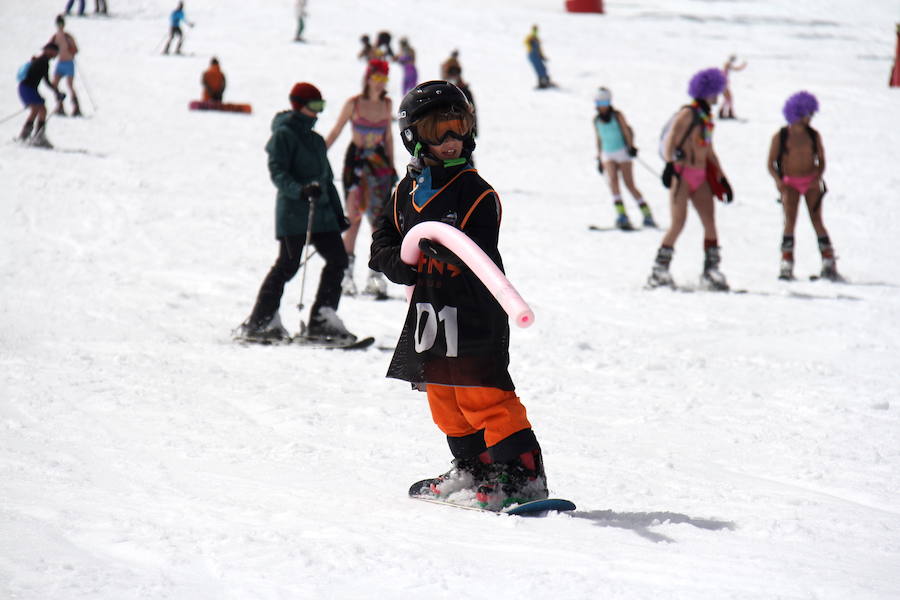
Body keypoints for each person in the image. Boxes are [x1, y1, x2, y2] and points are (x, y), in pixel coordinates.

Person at [369, 80, 549, 510]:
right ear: (414, 137)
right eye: (438, 130)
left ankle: (522, 472)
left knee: (480, 393)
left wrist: (448, 254)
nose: (452, 140)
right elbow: (382, 244)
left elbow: (479, 253)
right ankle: (475, 466)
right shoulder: (404, 192)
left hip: (472, 309)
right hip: (429, 312)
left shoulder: (476, 192)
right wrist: (400, 262)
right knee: (442, 395)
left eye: (459, 127)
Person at [235, 83, 356, 344]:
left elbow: (327, 179)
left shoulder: (315, 140)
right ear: (298, 104)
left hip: (322, 216)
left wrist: (337, 213)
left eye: (321, 106)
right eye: (314, 106)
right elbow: (278, 173)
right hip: (293, 215)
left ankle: (322, 318)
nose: (318, 113)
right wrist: (300, 190)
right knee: (287, 266)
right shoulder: (283, 135)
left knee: (338, 261)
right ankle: (261, 320)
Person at [648, 68, 733, 291]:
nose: (718, 96)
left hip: (701, 175)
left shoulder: (706, 118)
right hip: (683, 174)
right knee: (678, 222)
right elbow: (673, 139)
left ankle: (711, 270)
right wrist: (669, 163)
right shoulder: (688, 113)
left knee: (710, 223)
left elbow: (709, 150)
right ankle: (659, 270)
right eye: (716, 91)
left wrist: (722, 177)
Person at [325, 59, 397, 299]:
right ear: (368, 78)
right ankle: (345, 275)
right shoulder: (353, 104)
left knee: (378, 222)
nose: (380, 84)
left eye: (383, 79)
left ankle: (375, 275)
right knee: (353, 218)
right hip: (356, 165)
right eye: (377, 78)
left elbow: (388, 138)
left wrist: (392, 165)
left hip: (378, 166)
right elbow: (336, 131)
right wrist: (318, 153)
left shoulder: (387, 105)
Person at [767, 91, 841, 282]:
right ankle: (786, 262)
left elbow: (821, 160)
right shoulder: (781, 136)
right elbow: (771, 163)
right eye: (808, 114)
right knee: (789, 221)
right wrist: (779, 182)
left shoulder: (813, 135)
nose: (811, 118)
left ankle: (828, 260)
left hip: (811, 182)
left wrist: (817, 175)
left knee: (817, 220)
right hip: (790, 183)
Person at [592, 87, 655, 230]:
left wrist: (631, 146)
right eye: (600, 104)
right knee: (613, 183)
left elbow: (626, 130)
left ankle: (647, 214)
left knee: (629, 184)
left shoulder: (617, 115)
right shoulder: (596, 120)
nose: (602, 107)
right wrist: (598, 157)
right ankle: (621, 215)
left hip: (622, 152)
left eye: (605, 103)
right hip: (608, 154)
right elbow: (598, 138)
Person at [17, 43, 64, 148]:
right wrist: (57, 93)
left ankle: (27, 136)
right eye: (55, 52)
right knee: (40, 109)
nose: (56, 55)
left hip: (27, 88)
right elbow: (47, 81)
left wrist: (56, 92)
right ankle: (37, 137)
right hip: (28, 88)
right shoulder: (43, 62)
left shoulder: (40, 60)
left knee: (39, 110)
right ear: (49, 50)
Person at [49, 15, 80, 117]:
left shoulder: (68, 36)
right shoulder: (55, 37)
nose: (60, 26)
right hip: (60, 63)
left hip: (69, 63)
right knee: (55, 84)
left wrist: (71, 50)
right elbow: (49, 48)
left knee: (70, 85)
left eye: (61, 24)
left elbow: (76, 49)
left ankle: (76, 107)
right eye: (58, 24)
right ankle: (60, 105)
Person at [718, 55, 747, 119]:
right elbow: (736, 69)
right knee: (729, 99)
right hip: (724, 84)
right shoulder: (727, 64)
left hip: (724, 84)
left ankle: (724, 112)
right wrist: (743, 66)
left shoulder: (727, 64)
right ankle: (726, 113)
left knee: (728, 99)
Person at [525, 25, 552, 89]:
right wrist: (530, 43)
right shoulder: (530, 37)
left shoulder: (537, 38)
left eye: (536, 30)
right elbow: (526, 43)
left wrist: (542, 56)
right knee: (539, 69)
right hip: (532, 55)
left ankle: (546, 81)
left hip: (537, 55)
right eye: (534, 30)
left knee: (543, 68)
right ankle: (542, 83)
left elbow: (539, 49)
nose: (535, 31)